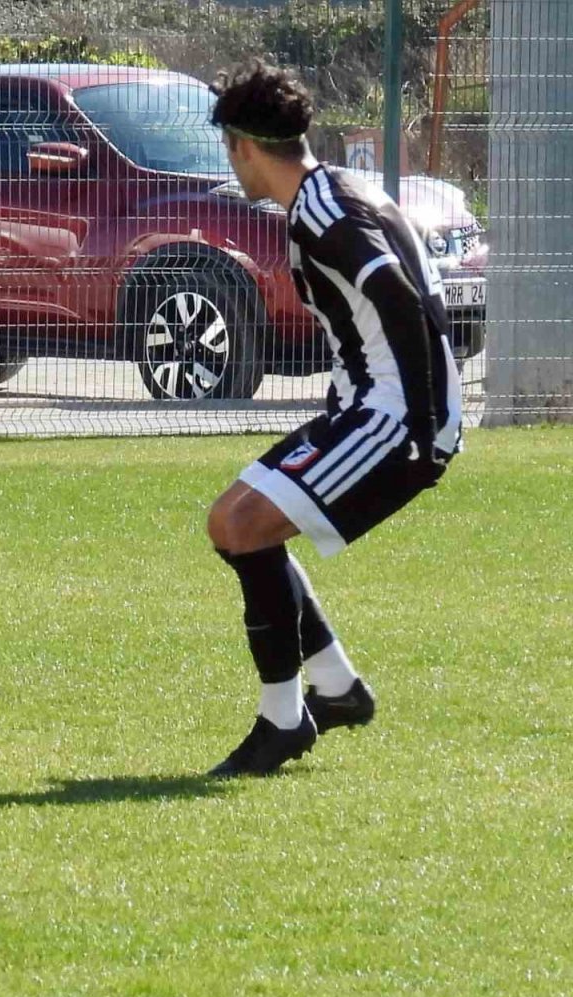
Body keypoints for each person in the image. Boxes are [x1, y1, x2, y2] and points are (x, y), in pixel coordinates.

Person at [204, 63, 462, 776]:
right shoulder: (337, 189)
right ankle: (338, 688)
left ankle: (283, 721)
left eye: (230, 146)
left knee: (244, 526)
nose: (232, 161)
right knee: (231, 524)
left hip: (397, 416)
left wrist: (419, 419)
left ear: (245, 147)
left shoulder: (325, 213)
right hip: (366, 405)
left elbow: (395, 292)